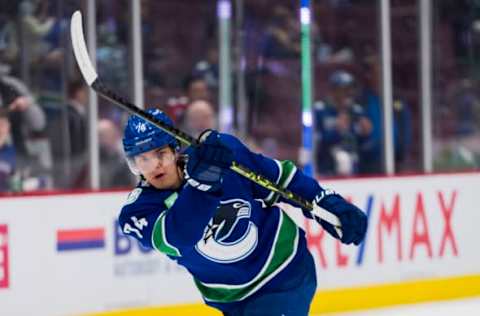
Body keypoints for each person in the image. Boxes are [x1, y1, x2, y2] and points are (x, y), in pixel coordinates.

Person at [118, 108, 367, 315]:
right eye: (143, 159)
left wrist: (326, 201)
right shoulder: (138, 212)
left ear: (174, 149)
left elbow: (279, 179)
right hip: (230, 299)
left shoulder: (220, 155)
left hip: (281, 272)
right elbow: (180, 235)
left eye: (160, 153)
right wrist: (202, 185)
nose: (155, 165)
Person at [314, 70, 372, 176]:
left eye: (350, 89)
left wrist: (365, 134)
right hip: (327, 169)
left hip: (354, 168)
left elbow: (363, 144)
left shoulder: (356, 111)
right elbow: (316, 142)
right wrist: (336, 131)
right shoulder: (321, 110)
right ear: (333, 91)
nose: (348, 94)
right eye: (343, 89)